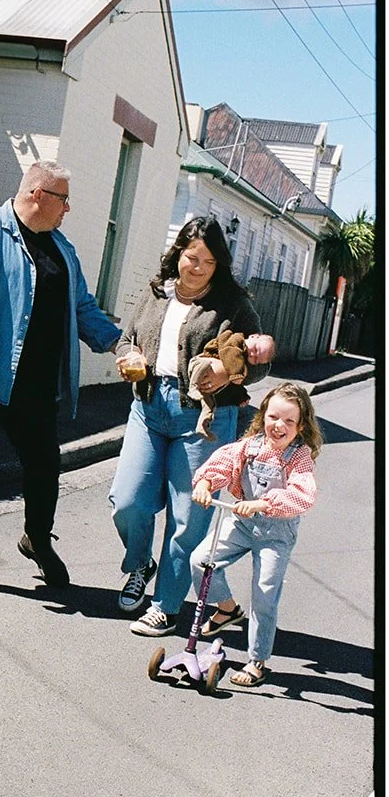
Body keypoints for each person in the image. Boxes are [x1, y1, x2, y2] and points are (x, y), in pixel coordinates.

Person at [0, 161, 121, 591]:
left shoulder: (62, 250)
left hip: (36, 385)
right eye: (63, 199)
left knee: (44, 466)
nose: (68, 208)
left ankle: (36, 539)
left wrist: (120, 346)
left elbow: (84, 309)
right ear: (37, 194)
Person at [110, 216, 267, 635]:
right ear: (178, 253)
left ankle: (166, 605)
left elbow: (257, 362)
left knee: (188, 518)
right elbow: (126, 339)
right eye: (191, 257)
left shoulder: (233, 303)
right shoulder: (155, 293)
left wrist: (229, 373)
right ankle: (140, 563)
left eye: (208, 262)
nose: (196, 267)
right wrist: (129, 359)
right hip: (148, 407)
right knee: (127, 500)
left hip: (206, 420)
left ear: (219, 266)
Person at [190, 382, 321, 689]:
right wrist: (206, 484)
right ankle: (227, 609)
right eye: (274, 417)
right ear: (263, 416)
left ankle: (257, 661)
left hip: (276, 531)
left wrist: (265, 502)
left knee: (264, 595)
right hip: (242, 522)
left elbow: (304, 495)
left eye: (289, 421)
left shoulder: (298, 457)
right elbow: (222, 464)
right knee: (200, 560)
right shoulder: (250, 446)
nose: (279, 426)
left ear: (300, 425)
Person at [189, 328, 276, 438]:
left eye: (257, 360)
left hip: (209, 384)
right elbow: (230, 353)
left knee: (209, 405)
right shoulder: (235, 339)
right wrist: (235, 374)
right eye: (255, 349)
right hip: (200, 364)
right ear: (253, 336)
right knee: (204, 364)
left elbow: (235, 385)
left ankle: (202, 426)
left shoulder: (242, 361)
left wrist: (242, 396)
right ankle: (193, 387)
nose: (253, 354)